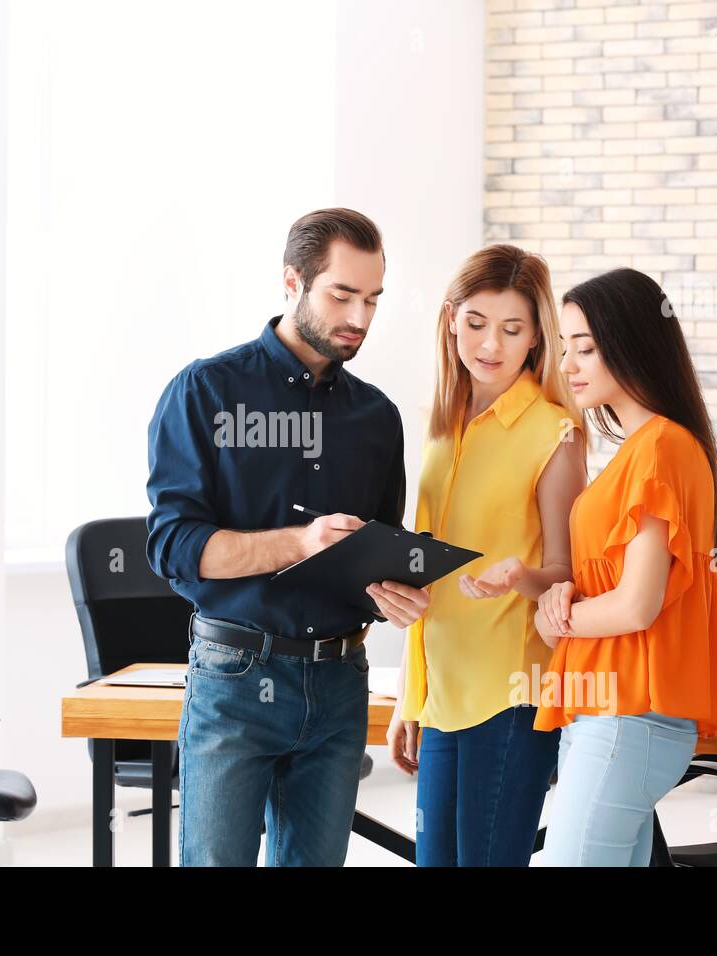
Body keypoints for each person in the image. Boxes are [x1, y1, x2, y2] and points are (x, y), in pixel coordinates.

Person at [145, 207, 428, 866]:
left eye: (373, 300)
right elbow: (175, 548)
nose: (359, 317)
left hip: (338, 683)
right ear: (292, 281)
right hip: (236, 679)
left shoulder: (377, 417)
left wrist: (397, 592)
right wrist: (298, 542)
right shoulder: (207, 392)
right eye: (342, 295)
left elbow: (373, 553)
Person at [388, 244, 586, 866]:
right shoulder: (443, 426)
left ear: (536, 338)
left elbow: (567, 577)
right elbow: (426, 577)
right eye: (475, 323)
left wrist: (519, 577)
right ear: (450, 319)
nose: (490, 345)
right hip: (443, 689)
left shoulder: (555, 432)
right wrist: (408, 697)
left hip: (511, 692)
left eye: (511, 329)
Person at [533, 267, 717, 866]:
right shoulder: (646, 449)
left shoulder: (660, 448)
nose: (568, 366)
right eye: (564, 348)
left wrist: (562, 615)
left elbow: (635, 603)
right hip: (615, 713)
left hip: (626, 718)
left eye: (586, 349)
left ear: (633, 344)